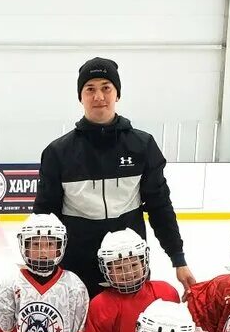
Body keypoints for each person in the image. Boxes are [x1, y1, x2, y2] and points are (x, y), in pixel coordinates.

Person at [35, 56, 195, 299]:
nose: (98, 96)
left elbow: (160, 206)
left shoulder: (142, 145)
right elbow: (45, 215)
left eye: (106, 88)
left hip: (129, 265)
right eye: (90, 89)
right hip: (77, 267)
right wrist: (42, 263)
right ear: (81, 97)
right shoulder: (59, 152)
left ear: (117, 94)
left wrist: (178, 258)